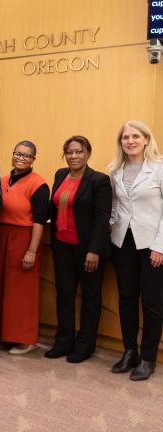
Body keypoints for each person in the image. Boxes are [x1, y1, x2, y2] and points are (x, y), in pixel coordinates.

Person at [46, 135, 111, 363]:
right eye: (70, 152)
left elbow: (103, 218)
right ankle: (63, 341)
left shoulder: (99, 180)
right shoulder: (60, 175)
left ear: (87, 154)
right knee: (64, 294)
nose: (74, 156)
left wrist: (94, 250)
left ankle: (85, 345)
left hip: (88, 249)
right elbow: (53, 208)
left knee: (90, 298)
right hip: (62, 246)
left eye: (79, 152)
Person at [108, 121, 163, 381]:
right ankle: (130, 351)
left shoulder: (159, 168)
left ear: (145, 139)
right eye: (125, 137)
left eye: (135, 136)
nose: (129, 141)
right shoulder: (115, 171)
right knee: (126, 298)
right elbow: (115, 208)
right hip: (123, 243)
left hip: (152, 245)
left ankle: (148, 357)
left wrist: (160, 246)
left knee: (152, 302)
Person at [0, 141, 49, 355]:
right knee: (0, 286)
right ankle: (3, 333)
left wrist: (31, 251)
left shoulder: (38, 184)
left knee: (20, 291)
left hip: (24, 238)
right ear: (12, 156)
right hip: (2, 234)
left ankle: (25, 339)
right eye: (18, 154)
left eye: (27, 156)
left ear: (33, 159)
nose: (21, 158)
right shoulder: (1, 180)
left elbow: (40, 221)